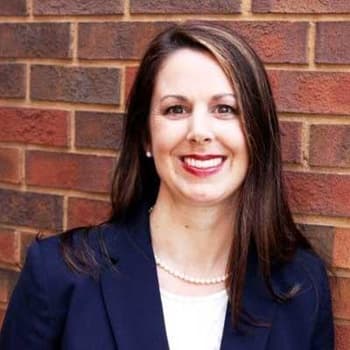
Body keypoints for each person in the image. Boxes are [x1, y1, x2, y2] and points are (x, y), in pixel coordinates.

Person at [0, 22, 334, 350]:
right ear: (146, 135)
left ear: (255, 134)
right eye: (176, 109)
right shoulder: (59, 274)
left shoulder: (301, 286)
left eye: (225, 109)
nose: (199, 131)